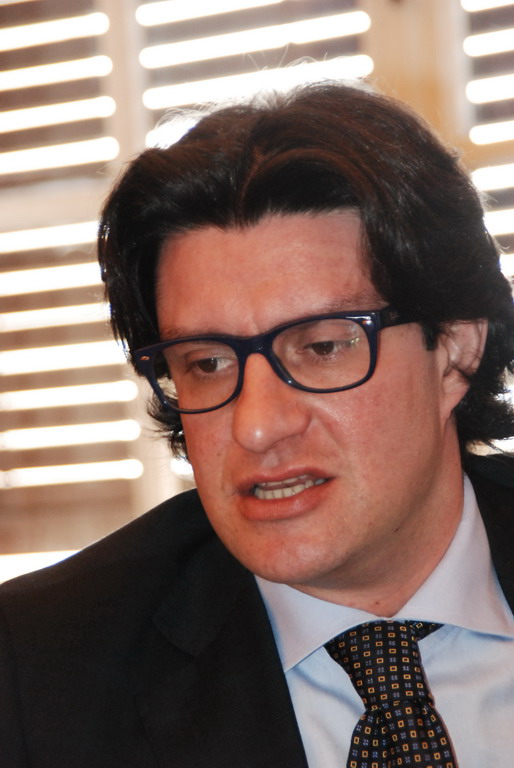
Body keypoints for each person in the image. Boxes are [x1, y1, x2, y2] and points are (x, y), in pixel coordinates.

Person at [0, 80, 513, 768]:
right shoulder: (35, 676)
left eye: (322, 347)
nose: (257, 426)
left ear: (455, 351)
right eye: (208, 363)